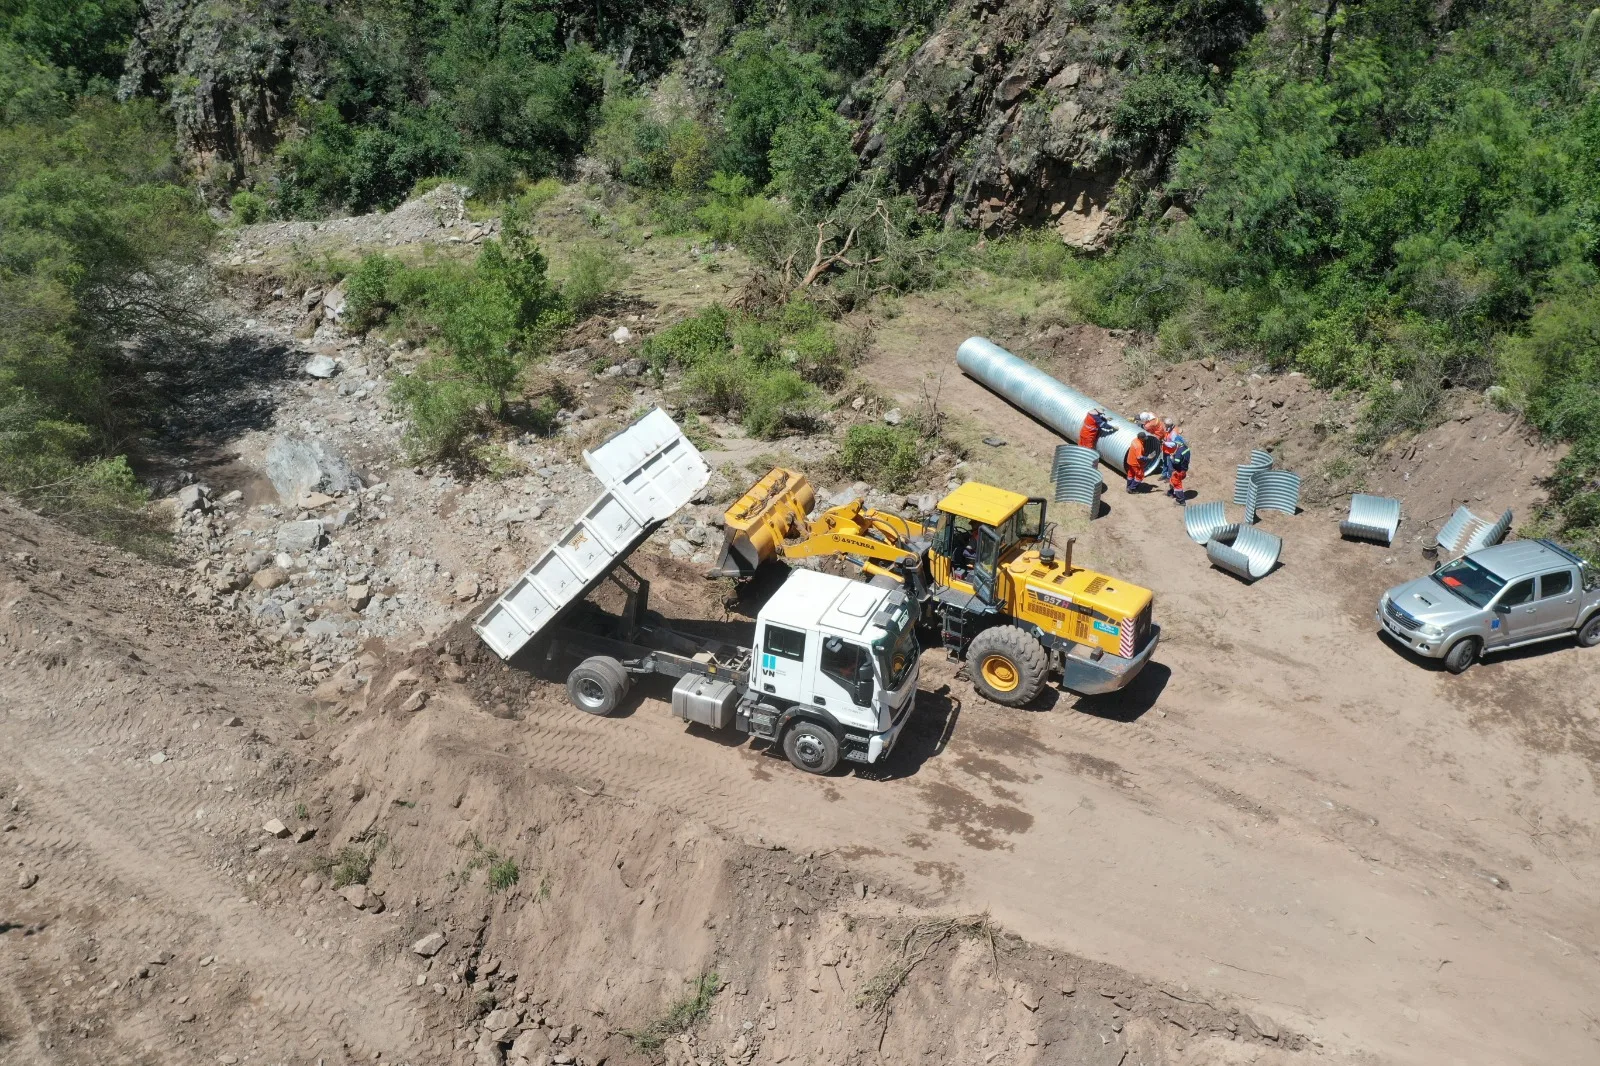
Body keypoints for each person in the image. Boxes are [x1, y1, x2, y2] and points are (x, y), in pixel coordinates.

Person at [1166, 433, 1191, 505]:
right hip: (1184, 469)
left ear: (1179, 443)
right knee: (1172, 480)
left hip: (1178, 471)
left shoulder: (1179, 451)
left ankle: (1181, 500)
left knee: (1177, 484)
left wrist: (1172, 458)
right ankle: (1171, 492)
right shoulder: (1186, 448)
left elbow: (1176, 462)